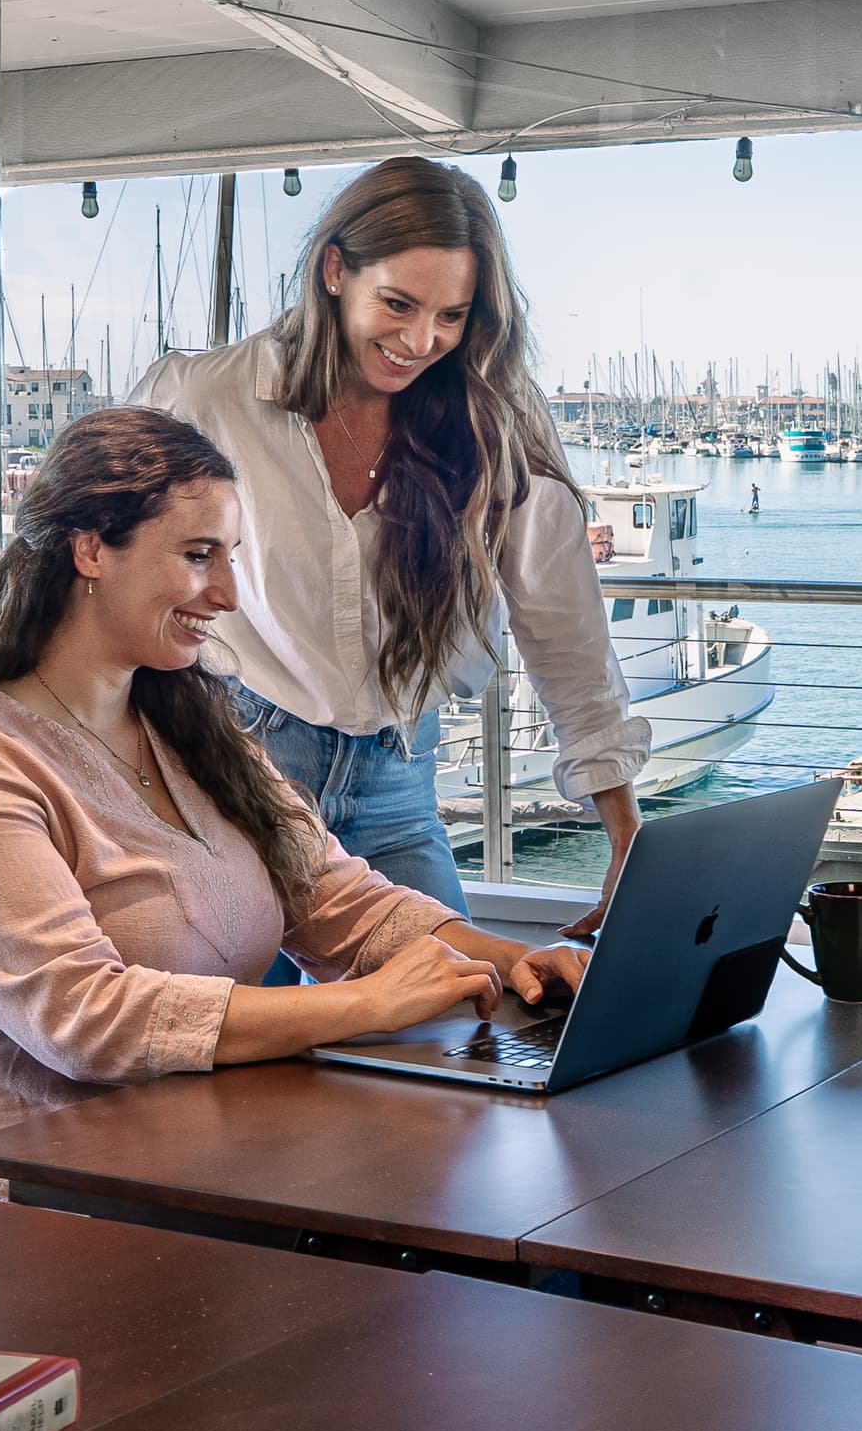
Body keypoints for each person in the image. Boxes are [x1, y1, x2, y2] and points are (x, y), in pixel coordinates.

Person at [0, 406, 585, 1190]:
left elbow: (338, 900)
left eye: (232, 558)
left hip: (204, 1160)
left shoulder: (190, 726)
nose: (230, 594)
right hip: (23, 1200)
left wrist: (517, 961)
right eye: (201, 556)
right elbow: (86, 1021)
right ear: (91, 548)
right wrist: (367, 1005)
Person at [139, 157, 650, 936]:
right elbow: (94, 570)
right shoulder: (207, 398)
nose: (421, 341)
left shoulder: (497, 417)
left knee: (453, 1024)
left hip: (397, 783)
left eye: (451, 316)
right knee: (250, 1042)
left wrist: (624, 834)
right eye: (399, 304)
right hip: (231, 773)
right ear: (335, 270)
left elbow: (562, 624)